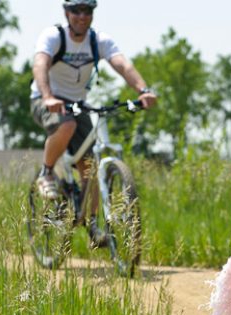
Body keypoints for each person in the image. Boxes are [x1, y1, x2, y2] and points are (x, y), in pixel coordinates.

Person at [30, 0, 157, 242]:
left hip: (79, 103)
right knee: (66, 125)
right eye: (76, 11)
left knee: (89, 168)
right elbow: (40, 64)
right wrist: (47, 97)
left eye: (87, 10)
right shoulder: (53, 37)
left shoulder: (98, 40)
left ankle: (91, 227)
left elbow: (122, 64)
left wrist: (143, 90)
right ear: (67, 13)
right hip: (46, 98)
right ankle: (46, 172)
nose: (82, 16)